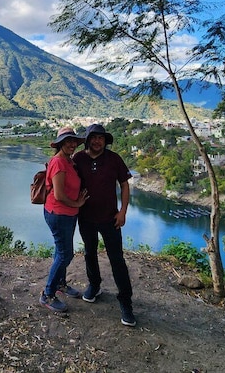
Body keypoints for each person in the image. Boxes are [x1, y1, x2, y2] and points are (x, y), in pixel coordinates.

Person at [73, 123, 136, 326]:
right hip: (86, 218)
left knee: (117, 259)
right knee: (89, 253)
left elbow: (124, 184)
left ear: (105, 140)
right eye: (94, 137)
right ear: (88, 139)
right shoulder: (79, 158)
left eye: (101, 138)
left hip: (111, 219)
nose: (97, 141)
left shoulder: (114, 159)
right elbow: (65, 175)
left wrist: (123, 211)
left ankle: (125, 301)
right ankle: (94, 285)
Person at [39, 126, 89, 313]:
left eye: (73, 141)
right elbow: (59, 195)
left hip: (67, 215)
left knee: (60, 251)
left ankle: (60, 283)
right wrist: (77, 204)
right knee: (65, 254)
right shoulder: (59, 162)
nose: (71, 144)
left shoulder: (69, 161)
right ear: (59, 144)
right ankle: (47, 294)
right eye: (67, 141)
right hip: (59, 213)